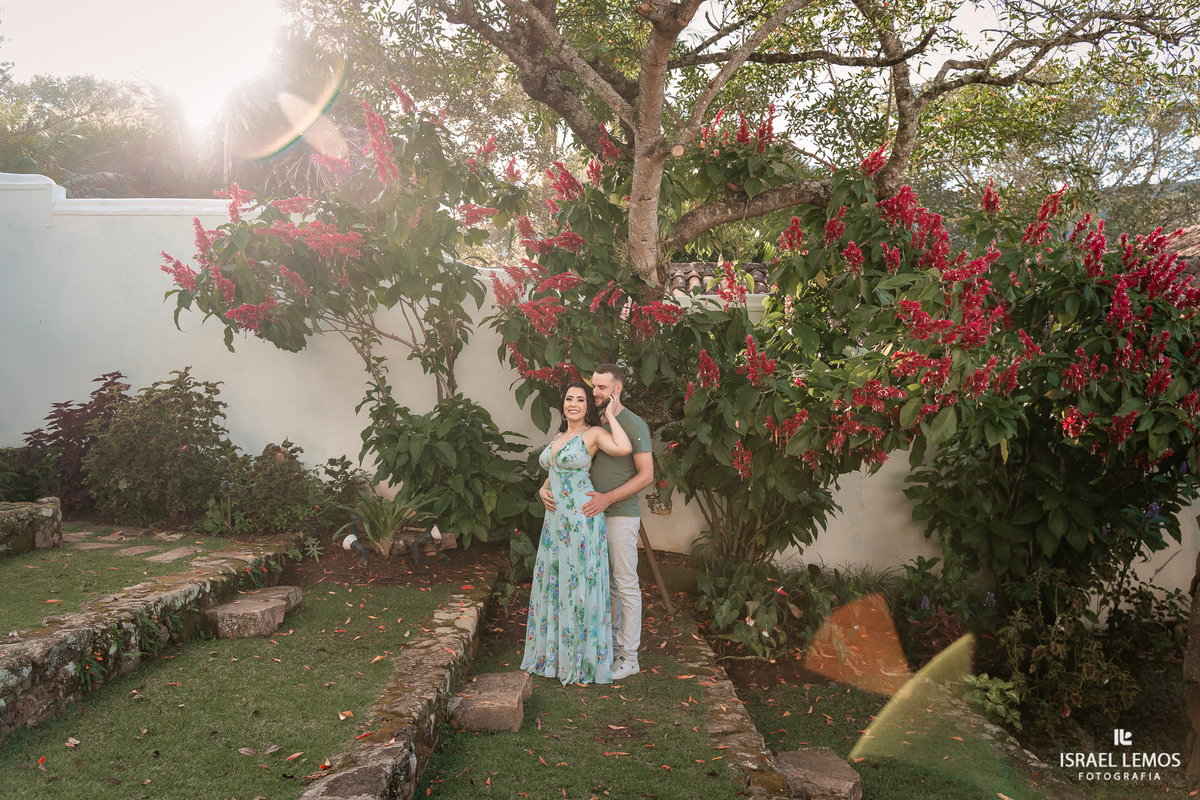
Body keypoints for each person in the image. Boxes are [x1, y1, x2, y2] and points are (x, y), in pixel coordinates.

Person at [541, 364, 654, 681]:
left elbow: (647, 476)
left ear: (617, 389)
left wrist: (608, 498)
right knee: (600, 584)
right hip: (584, 517)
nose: (595, 393)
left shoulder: (633, 425)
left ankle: (628, 656)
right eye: (594, 387)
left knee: (624, 583)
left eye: (602, 388)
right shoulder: (590, 422)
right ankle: (606, 646)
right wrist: (546, 488)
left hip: (618, 513)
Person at [522, 380, 632, 685]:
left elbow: (624, 448)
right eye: (569, 399)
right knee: (555, 582)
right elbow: (554, 471)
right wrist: (542, 491)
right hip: (555, 522)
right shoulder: (560, 435)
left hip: (581, 520)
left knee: (578, 582)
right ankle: (554, 657)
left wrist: (609, 415)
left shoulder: (594, 433)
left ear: (588, 406)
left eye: (580, 400)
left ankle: (580, 659)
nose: (573, 404)